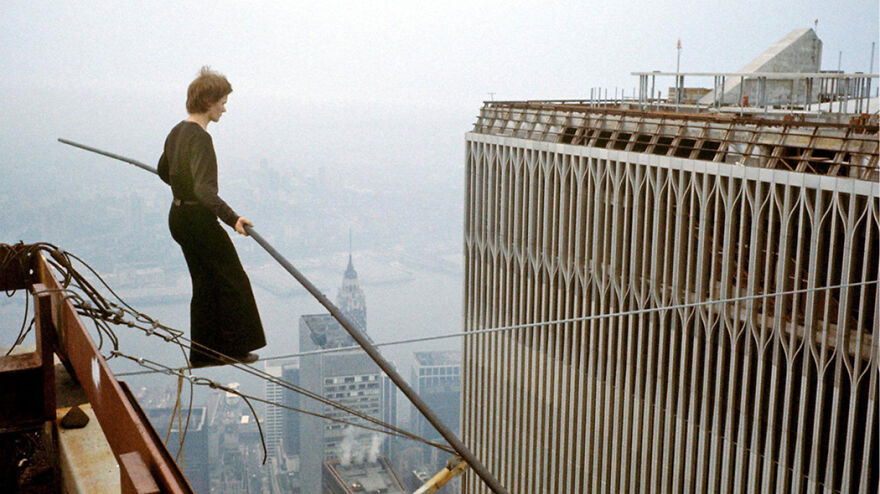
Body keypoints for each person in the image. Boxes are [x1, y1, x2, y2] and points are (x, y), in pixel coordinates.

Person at [157, 66, 266, 368]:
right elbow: (205, 190)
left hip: (178, 217)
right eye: (222, 102)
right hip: (197, 220)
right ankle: (233, 348)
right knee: (233, 280)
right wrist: (234, 219)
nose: (225, 108)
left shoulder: (176, 131)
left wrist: (184, 187)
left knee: (204, 284)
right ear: (208, 102)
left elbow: (164, 171)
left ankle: (203, 353)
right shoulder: (201, 139)